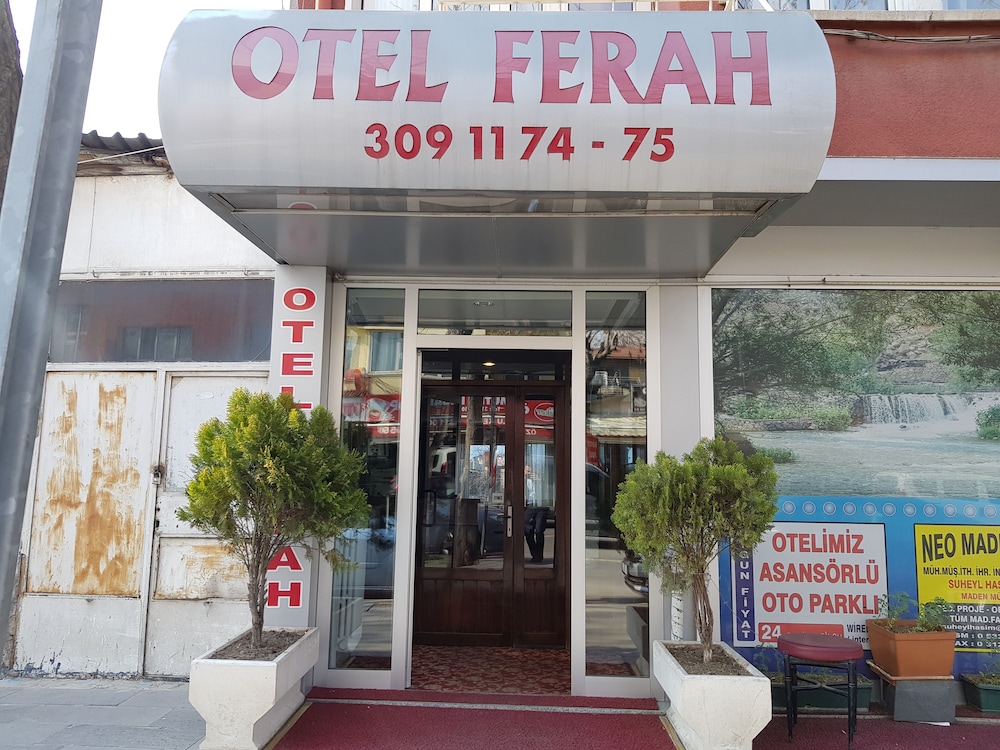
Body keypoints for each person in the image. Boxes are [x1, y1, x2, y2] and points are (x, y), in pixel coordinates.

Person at [523, 465, 548, 563]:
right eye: (527, 471)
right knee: (528, 530)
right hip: (529, 506)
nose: (529, 473)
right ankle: (534, 553)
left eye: (530, 471)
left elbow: (547, 490)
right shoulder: (523, 481)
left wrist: (539, 481)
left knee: (539, 531)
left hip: (540, 505)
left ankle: (539, 556)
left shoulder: (539, 479)